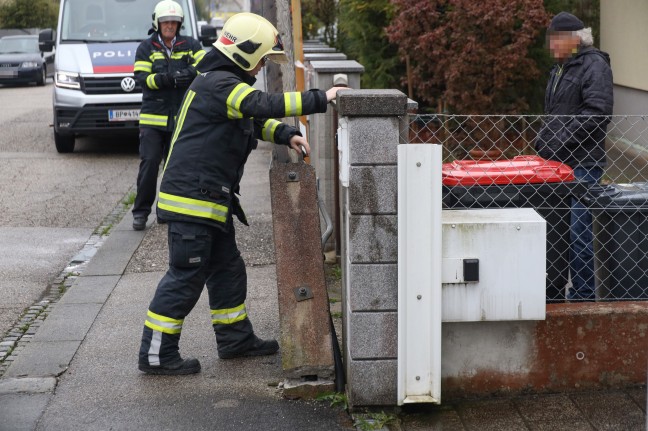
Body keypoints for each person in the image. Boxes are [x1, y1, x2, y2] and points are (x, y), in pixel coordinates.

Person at [138, 12, 345, 375]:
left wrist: (285, 135)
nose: (262, 67)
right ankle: (156, 354)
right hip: (193, 202)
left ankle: (234, 340)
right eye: (262, 59)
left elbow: (249, 119)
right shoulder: (220, 83)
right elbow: (259, 106)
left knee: (228, 271)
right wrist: (321, 98)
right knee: (185, 278)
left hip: (208, 200)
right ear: (246, 54)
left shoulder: (218, 82)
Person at [535, 11, 613, 301]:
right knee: (558, 229)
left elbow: (597, 113)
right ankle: (556, 290)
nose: (551, 46)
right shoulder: (561, 68)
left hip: (583, 162)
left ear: (573, 40)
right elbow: (555, 115)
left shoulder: (594, 65)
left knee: (579, 231)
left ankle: (583, 295)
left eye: (556, 40)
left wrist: (558, 141)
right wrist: (543, 142)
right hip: (558, 161)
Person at [131, 0, 206, 231]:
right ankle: (140, 213)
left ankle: (167, 211)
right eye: (166, 22)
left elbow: (205, 69)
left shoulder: (192, 45)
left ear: (179, 24)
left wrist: (188, 74)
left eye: (174, 22)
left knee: (176, 168)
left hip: (181, 118)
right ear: (157, 23)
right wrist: (166, 79)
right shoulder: (146, 47)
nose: (170, 26)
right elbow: (141, 79)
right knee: (150, 164)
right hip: (153, 119)